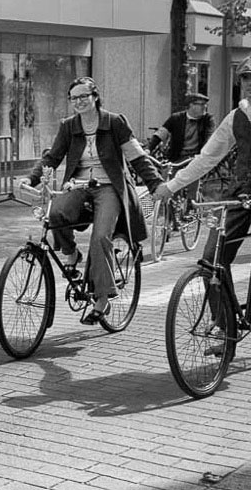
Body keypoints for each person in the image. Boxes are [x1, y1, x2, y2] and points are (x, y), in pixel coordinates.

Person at [25, 76, 163, 325]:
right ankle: (71, 253)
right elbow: (53, 157)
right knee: (55, 213)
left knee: (101, 238)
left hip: (108, 186)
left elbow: (137, 157)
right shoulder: (69, 126)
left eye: (83, 96)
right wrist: (31, 179)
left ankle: (102, 299)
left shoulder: (114, 122)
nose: (79, 102)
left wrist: (155, 184)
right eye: (74, 98)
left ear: (95, 97)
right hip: (77, 185)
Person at [153, 55, 251, 299]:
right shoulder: (236, 117)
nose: (250, 83)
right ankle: (222, 324)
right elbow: (207, 157)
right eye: (245, 78)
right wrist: (171, 186)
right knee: (211, 259)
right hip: (240, 192)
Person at [146, 92, 214, 162]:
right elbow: (161, 134)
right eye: (202, 104)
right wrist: (148, 149)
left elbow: (209, 137)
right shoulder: (176, 118)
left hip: (197, 159)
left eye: (205, 104)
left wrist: (203, 155)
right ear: (191, 105)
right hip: (178, 158)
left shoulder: (207, 119)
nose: (205, 107)